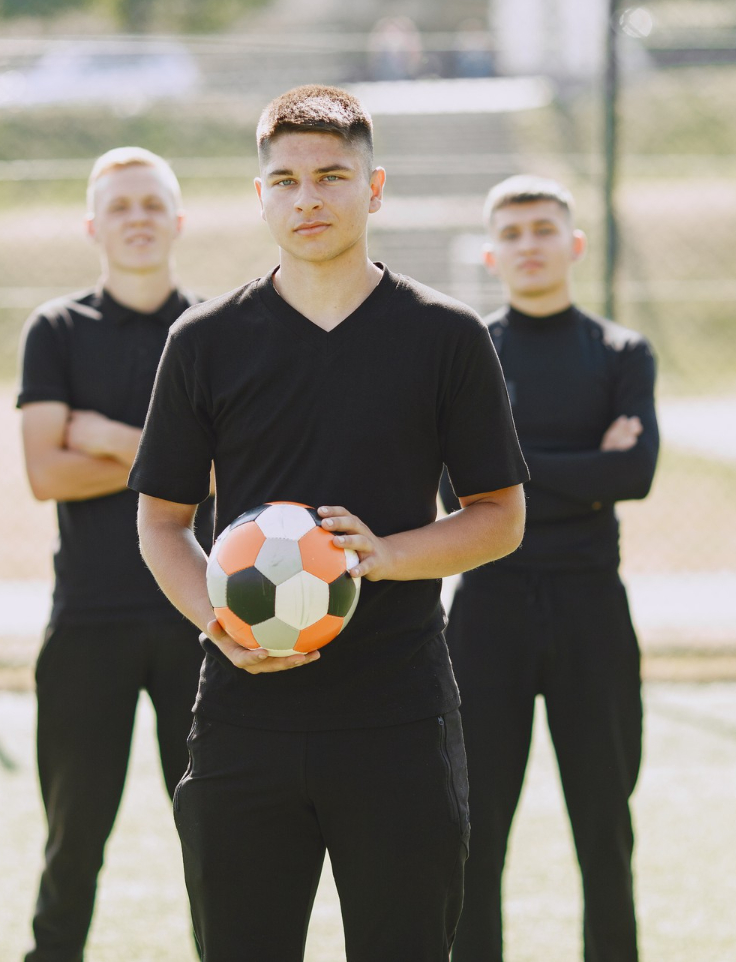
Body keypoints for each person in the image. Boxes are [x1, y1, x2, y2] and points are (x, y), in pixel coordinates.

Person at [131, 85, 528, 962]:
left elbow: (500, 517)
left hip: (395, 717)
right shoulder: (203, 341)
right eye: (285, 181)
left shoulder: (446, 336)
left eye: (331, 176)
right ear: (261, 195)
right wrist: (217, 618)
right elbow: (162, 523)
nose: (307, 197)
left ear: (374, 188)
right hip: (244, 716)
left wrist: (386, 556)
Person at [445, 176, 658, 962]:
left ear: (572, 244)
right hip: (488, 610)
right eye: (513, 232)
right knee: (476, 825)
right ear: (493, 254)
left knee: (604, 823)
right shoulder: (469, 352)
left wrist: (509, 475)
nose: (529, 244)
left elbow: (634, 474)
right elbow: (449, 487)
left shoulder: (620, 352)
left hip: (591, 609)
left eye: (544, 229)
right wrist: (583, 471)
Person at [16, 146, 211, 961]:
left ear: (177, 220)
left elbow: (224, 477)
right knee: (74, 838)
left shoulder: (216, 328)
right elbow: (44, 471)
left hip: (201, 614)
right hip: (88, 619)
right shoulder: (57, 330)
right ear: (94, 224)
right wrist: (162, 458)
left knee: (215, 835)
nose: (137, 218)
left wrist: (101, 435)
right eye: (120, 206)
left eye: (151, 204)